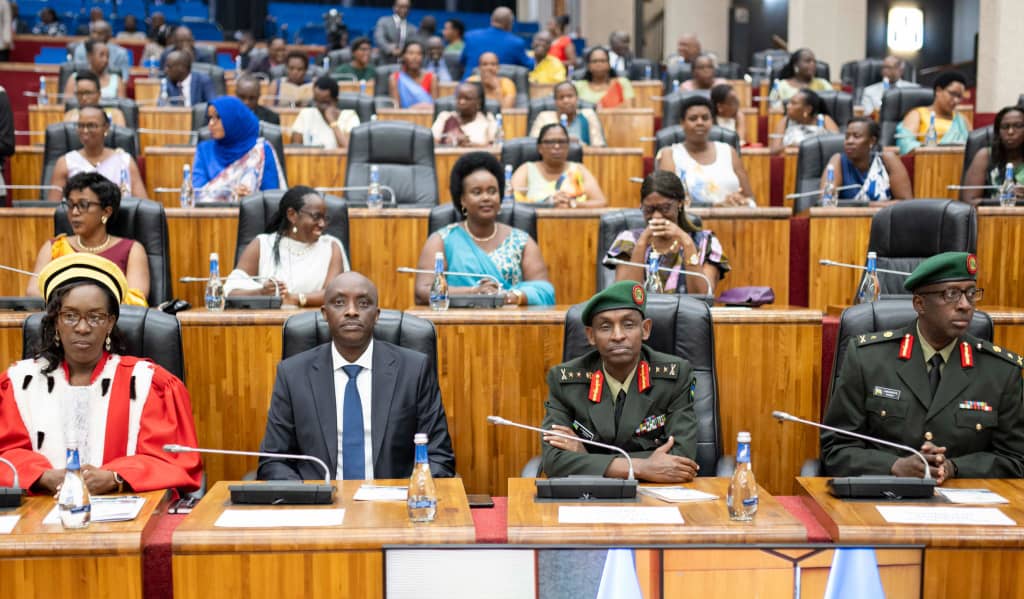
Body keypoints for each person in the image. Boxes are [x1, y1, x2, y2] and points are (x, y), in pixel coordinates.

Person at [0, 253, 202, 494]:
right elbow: (5, 455)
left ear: (110, 322)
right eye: (70, 316)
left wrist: (116, 477)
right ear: (55, 321)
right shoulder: (19, 383)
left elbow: (172, 461)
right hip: (39, 510)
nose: (82, 327)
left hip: (127, 510)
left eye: (95, 317)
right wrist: (41, 476)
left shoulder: (148, 383)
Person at [821, 252, 1024, 482]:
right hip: (884, 495)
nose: (965, 305)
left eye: (970, 293)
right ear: (919, 304)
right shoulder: (868, 359)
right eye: (951, 294)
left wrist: (955, 467)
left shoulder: (1001, 371)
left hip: (964, 498)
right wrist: (893, 466)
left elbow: (1015, 459)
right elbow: (836, 449)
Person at [258, 271, 455, 480]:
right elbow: (274, 460)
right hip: (321, 497)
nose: (351, 311)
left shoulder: (414, 370)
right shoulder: (293, 374)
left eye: (363, 303)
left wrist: (410, 492)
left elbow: (439, 457)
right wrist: (308, 494)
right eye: (339, 303)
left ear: (376, 315)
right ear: (325, 313)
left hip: (393, 497)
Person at [540, 280, 700, 482]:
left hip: (655, 493)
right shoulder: (564, 381)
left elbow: (681, 459)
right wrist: (640, 467)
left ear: (645, 329)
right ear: (591, 335)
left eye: (628, 325)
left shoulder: (675, 376)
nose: (617, 336)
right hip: (590, 495)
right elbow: (553, 461)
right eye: (605, 327)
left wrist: (586, 457)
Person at [414, 152, 555, 306]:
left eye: (492, 191)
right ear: (462, 199)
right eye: (477, 192)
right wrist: (473, 293)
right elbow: (423, 291)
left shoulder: (521, 241)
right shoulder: (442, 240)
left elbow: (544, 291)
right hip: (456, 320)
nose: (486, 197)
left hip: (510, 319)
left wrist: (509, 297)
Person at [30, 172, 150, 304]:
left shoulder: (132, 250)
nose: (74, 212)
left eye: (83, 205)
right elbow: (33, 294)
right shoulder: (55, 247)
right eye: (70, 205)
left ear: (106, 211)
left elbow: (136, 300)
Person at [225, 186, 349, 307]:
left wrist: (296, 299)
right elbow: (230, 291)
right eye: (316, 217)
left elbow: (334, 294)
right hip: (267, 320)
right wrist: (261, 293)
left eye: (325, 218)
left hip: (314, 319)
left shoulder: (331, 246)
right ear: (292, 215)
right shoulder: (262, 244)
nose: (322, 224)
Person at [608, 170, 729, 295]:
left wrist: (687, 243)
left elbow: (703, 297)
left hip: (687, 308)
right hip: (643, 309)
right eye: (649, 209)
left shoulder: (706, 242)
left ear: (680, 203)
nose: (656, 216)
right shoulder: (628, 240)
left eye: (665, 208)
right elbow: (625, 297)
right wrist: (641, 243)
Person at [656, 95, 754, 206]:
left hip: (732, 214)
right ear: (682, 123)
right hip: (690, 217)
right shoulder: (670, 154)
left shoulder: (728, 151)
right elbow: (667, 202)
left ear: (712, 121)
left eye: (705, 118)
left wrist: (741, 200)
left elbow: (750, 199)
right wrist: (716, 206)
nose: (700, 122)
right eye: (693, 118)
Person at [191, 96, 285, 202]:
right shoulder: (204, 150)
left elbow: (271, 198)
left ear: (233, 120)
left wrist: (251, 199)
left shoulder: (261, 151)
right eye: (210, 118)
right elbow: (198, 194)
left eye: (218, 117)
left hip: (253, 211)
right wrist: (230, 194)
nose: (211, 124)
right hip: (210, 212)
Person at [48, 106, 147, 201]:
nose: (85, 130)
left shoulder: (124, 161)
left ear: (106, 127)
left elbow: (141, 205)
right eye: (81, 126)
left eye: (91, 125)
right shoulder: (65, 162)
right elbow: (53, 207)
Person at [511, 123, 606, 207]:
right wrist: (545, 203)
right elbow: (511, 202)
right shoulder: (526, 169)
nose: (557, 146)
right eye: (550, 142)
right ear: (539, 147)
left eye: (562, 142)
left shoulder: (578, 169)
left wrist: (573, 204)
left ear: (568, 146)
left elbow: (601, 202)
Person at [819, 116, 912, 201]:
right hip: (847, 215)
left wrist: (867, 205)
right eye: (847, 137)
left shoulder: (887, 159)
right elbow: (826, 201)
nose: (849, 141)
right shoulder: (838, 161)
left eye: (856, 136)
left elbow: (905, 202)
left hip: (886, 214)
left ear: (872, 141)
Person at [962, 105, 1024, 205]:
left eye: (1018, 126)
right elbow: (969, 202)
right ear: (998, 132)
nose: (1010, 132)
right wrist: (1001, 198)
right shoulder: (985, 156)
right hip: (991, 214)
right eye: (1005, 127)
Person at [896, 71, 969, 155]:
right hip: (926, 160)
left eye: (959, 96)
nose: (956, 100)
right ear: (938, 91)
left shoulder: (962, 120)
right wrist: (933, 150)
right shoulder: (918, 114)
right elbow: (905, 144)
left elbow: (972, 147)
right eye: (952, 94)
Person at [289, 76, 360, 149]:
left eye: (324, 102)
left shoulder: (350, 116)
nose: (319, 106)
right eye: (316, 101)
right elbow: (295, 148)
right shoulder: (306, 113)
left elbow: (348, 149)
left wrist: (332, 122)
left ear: (336, 100)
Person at [529, 81, 606, 147]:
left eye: (570, 96)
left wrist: (579, 145)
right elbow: (533, 145)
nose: (566, 101)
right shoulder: (544, 117)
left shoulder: (588, 115)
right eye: (561, 97)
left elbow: (599, 147)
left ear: (577, 98)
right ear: (555, 101)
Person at [460, 6, 534, 76]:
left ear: (491, 20)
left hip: (468, 83)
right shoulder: (516, 43)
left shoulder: (470, 36)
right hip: (499, 84)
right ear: (510, 23)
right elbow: (530, 66)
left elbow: (462, 61)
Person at [770, 88, 839, 155]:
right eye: (789, 102)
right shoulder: (785, 121)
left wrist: (804, 147)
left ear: (808, 109)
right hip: (790, 160)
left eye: (793, 103)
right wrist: (788, 146)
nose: (788, 106)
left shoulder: (823, 120)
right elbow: (773, 151)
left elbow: (836, 146)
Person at [431, 81, 496, 147]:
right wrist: (451, 140)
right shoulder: (445, 117)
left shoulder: (487, 118)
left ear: (478, 102)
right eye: (459, 98)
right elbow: (431, 141)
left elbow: (493, 145)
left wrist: (470, 145)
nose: (461, 102)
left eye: (467, 98)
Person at [389, 40, 435, 109]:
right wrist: (413, 110)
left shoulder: (431, 77)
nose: (415, 57)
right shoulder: (395, 78)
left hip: (427, 115)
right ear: (403, 56)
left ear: (423, 57)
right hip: (403, 115)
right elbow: (396, 108)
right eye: (411, 53)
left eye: (419, 54)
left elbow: (435, 108)